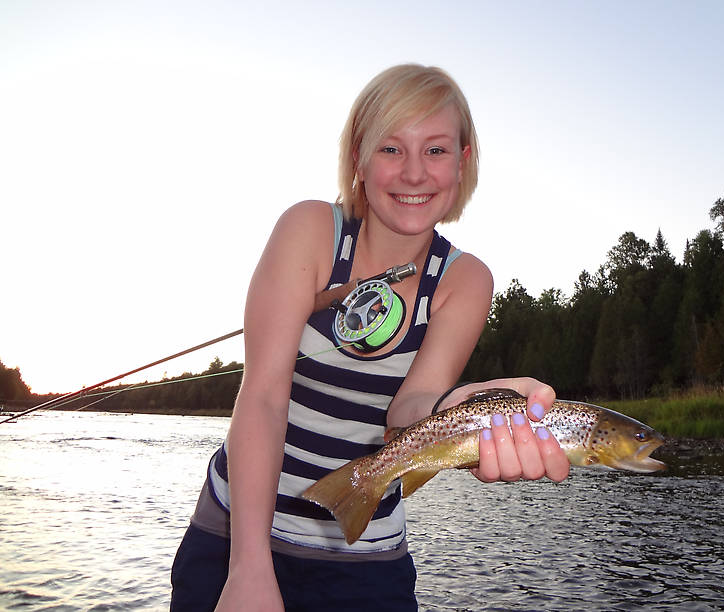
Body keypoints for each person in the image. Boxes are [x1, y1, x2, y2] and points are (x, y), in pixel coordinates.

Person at [170, 64, 569, 612]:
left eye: (435, 150)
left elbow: (408, 410)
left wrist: (459, 412)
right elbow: (262, 395)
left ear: (463, 161)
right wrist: (249, 569)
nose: (413, 174)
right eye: (390, 148)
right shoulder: (309, 229)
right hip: (235, 539)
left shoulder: (466, 280)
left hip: (367, 563)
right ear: (358, 156)